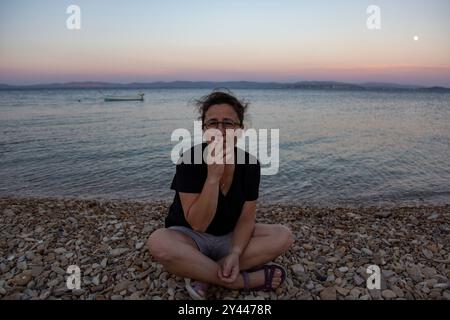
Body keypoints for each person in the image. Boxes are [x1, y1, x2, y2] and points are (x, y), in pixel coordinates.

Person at [147, 90, 293, 300]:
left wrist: (235, 252)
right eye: (213, 122)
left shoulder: (250, 164)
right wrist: (213, 178)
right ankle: (242, 280)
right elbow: (198, 224)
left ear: (240, 130)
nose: (220, 130)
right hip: (189, 237)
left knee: (283, 235)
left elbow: (247, 217)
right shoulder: (189, 159)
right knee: (159, 242)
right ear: (204, 129)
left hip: (229, 236)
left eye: (228, 123)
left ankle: (203, 273)